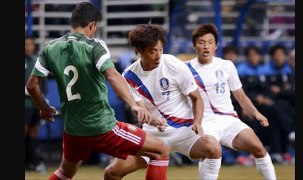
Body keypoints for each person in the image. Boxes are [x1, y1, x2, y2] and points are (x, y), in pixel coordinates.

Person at [26, 2, 170, 180]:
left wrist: (44, 108)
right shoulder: (94, 45)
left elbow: (32, 85)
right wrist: (134, 105)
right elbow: (112, 75)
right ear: (92, 24)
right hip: (101, 127)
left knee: (64, 173)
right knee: (161, 150)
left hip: (73, 130)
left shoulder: (50, 47)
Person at [104, 23, 222, 180]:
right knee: (111, 173)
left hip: (184, 130)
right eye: (153, 51)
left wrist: (198, 122)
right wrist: (150, 119)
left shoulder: (173, 64)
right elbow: (142, 109)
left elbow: (196, 98)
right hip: (153, 134)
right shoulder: (129, 76)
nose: (158, 55)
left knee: (213, 148)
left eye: (160, 50)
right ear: (138, 51)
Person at [186, 23, 276, 180]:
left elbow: (240, 95)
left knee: (258, 148)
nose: (206, 46)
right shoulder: (185, 69)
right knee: (211, 154)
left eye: (210, 42)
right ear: (194, 46)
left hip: (229, 120)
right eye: (201, 42)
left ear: (216, 46)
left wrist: (257, 114)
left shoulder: (227, 66)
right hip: (203, 123)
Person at [25, 35, 47, 174]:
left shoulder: (36, 60)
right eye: (26, 44)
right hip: (24, 104)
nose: (29, 47)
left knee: (33, 134)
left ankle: (34, 162)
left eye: (31, 44)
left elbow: (43, 82)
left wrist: (42, 98)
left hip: (35, 104)